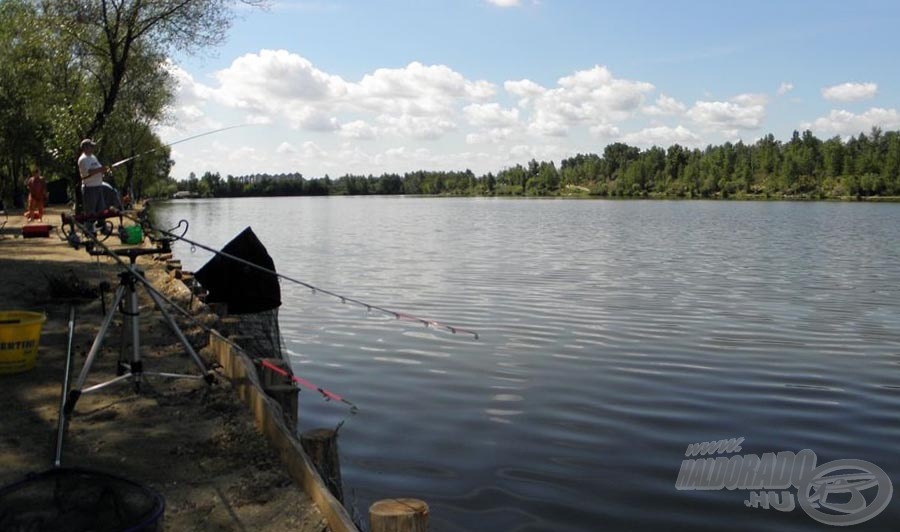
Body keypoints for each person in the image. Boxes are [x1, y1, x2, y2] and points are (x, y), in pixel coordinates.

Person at [78, 138, 121, 216]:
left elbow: (100, 169)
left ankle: (102, 227)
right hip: (89, 188)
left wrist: (109, 169)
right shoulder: (83, 159)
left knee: (101, 211)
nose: (92, 148)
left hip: (98, 186)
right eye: (91, 146)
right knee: (90, 213)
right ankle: (89, 228)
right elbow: (90, 172)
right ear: (85, 148)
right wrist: (102, 169)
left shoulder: (93, 157)